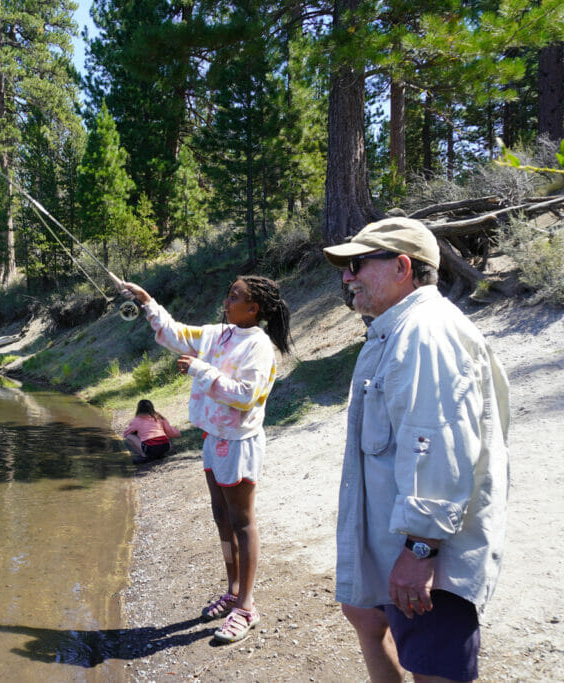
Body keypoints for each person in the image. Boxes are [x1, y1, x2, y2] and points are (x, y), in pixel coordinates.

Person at [322, 217, 510, 682]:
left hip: (426, 555)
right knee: (370, 620)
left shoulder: (425, 332)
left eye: (357, 264)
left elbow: (439, 448)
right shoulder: (401, 330)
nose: (347, 277)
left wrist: (419, 550)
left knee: (435, 670)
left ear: (403, 267)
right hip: (405, 545)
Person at [121, 276, 292, 644]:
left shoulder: (259, 346)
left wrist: (200, 369)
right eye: (229, 292)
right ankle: (232, 589)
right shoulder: (219, 333)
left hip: (239, 442)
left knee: (243, 523)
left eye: (236, 296)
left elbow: (247, 396)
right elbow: (176, 334)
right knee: (221, 517)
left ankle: (246, 607)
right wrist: (147, 301)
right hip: (213, 438)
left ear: (254, 308)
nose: (227, 300)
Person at [122, 399, 182, 465]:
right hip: (166, 446)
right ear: (152, 407)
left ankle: (144, 456)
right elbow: (170, 431)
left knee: (129, 436)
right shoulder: (158, 417)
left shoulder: (136, 420)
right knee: (162, 433)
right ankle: (160, 454)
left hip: (151, 448)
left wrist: (137, 433)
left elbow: (125, 433)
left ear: (138, 409)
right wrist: (178, 433)